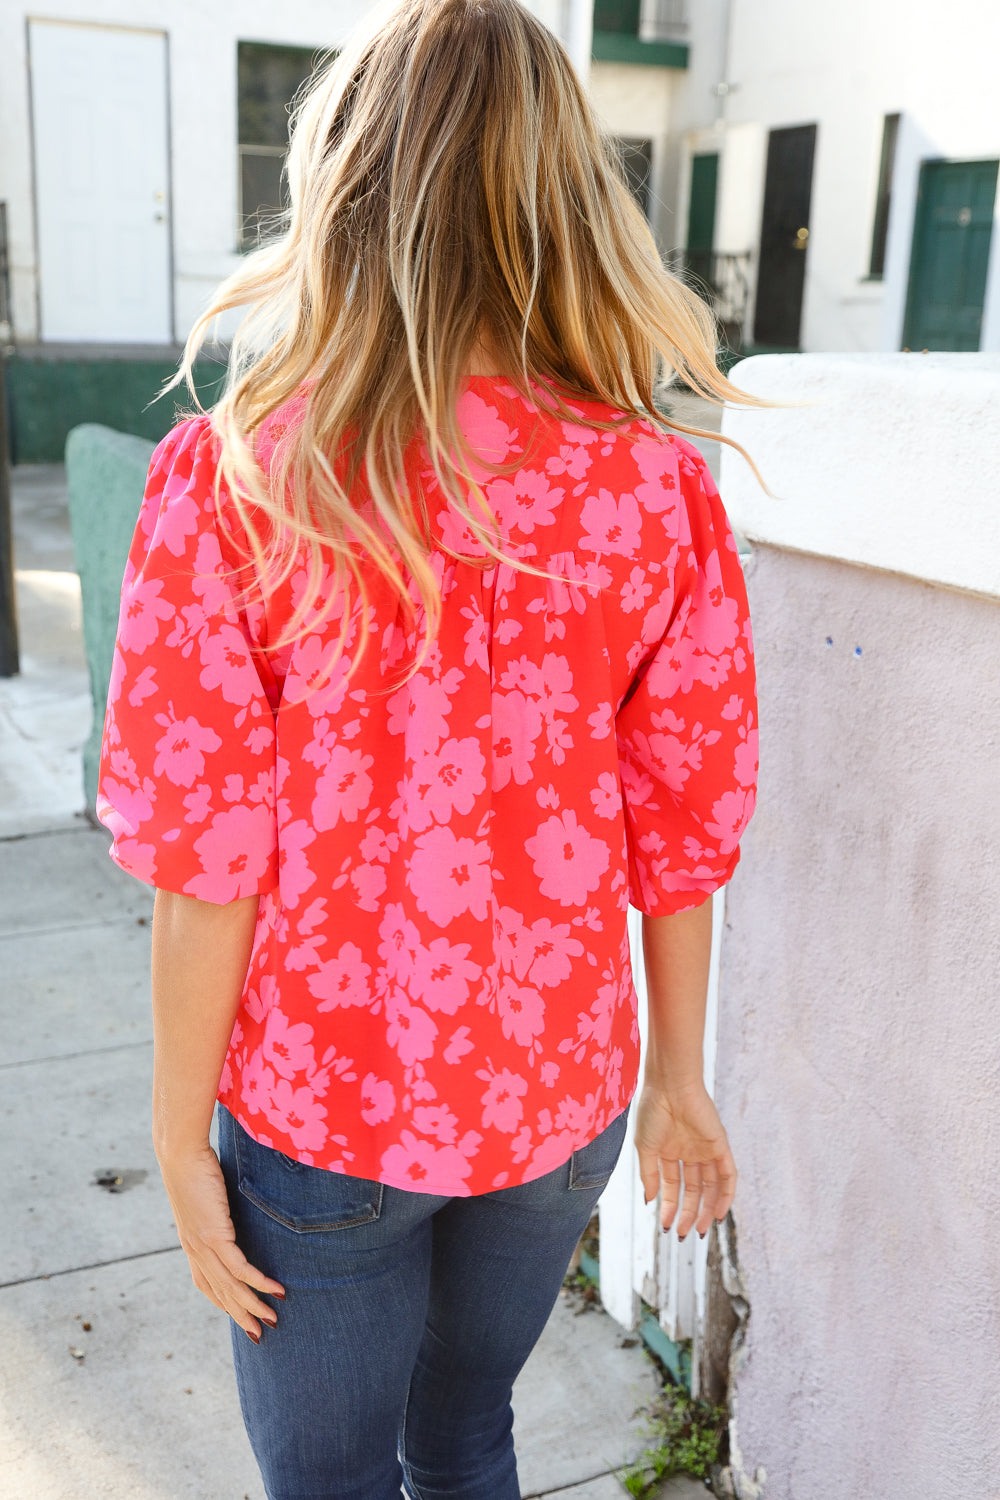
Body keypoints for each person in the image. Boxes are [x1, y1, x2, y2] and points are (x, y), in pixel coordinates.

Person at [96, 0, 761, 1494]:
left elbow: (206, 851)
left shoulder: (241, 473)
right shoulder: (653, 493)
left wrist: (178, 1132)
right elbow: (683, 818)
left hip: (322, 1109)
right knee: (468, 1435)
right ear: (566, 197)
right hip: (556, 1099)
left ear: (349, 181)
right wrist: (677, 1074)